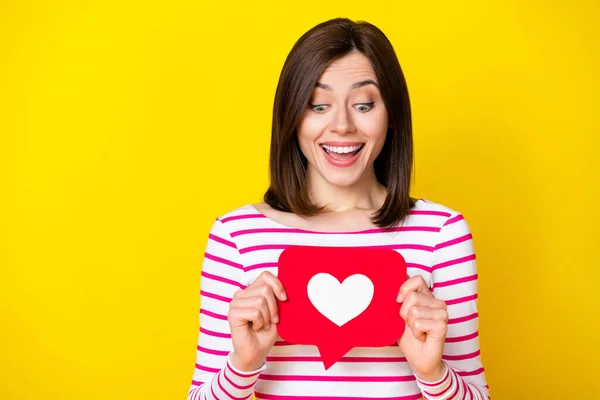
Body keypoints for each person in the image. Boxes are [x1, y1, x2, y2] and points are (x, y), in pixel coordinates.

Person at [187, 17, 489, 400]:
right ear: (292, 117)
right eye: (318, 105)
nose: (342, 126)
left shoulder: (442, 233)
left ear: (391, 114)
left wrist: (432, 371)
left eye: (364, 104)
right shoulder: (236, 236)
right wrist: (243, 364)